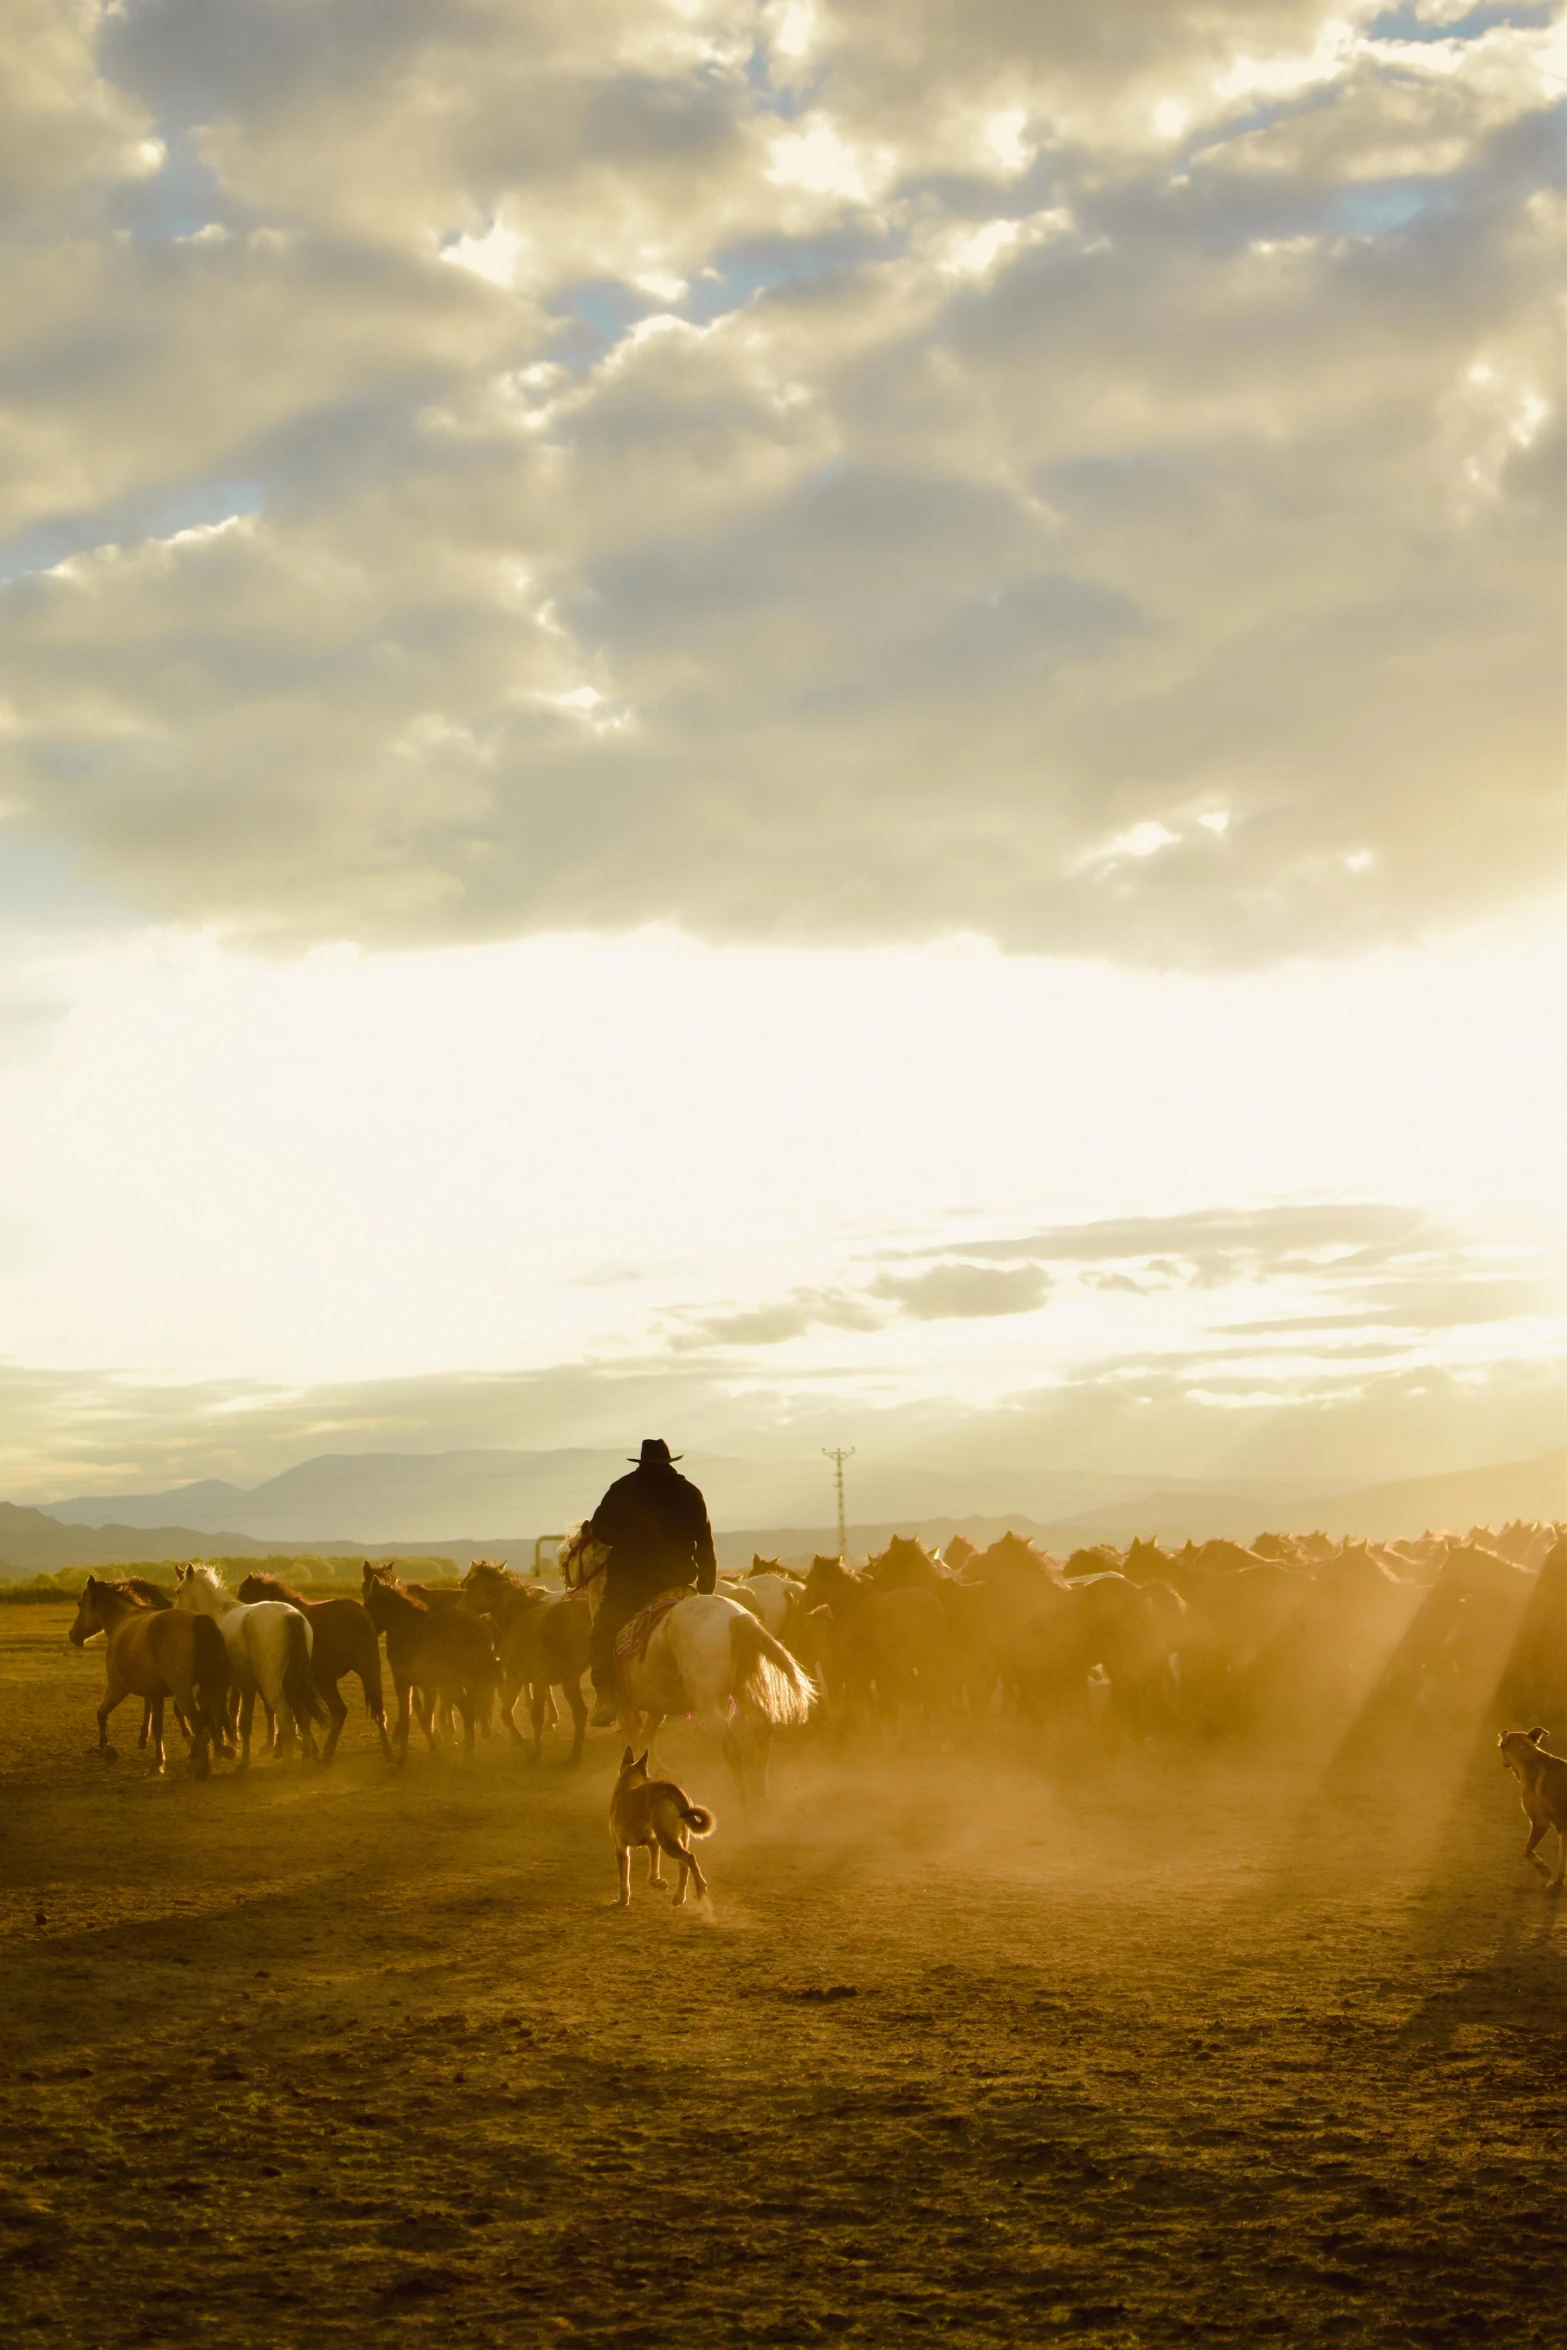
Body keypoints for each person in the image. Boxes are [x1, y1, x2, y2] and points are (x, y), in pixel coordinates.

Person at [586, 1439, 717, 1727]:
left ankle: (606, 1697)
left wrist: (628, 1538)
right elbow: (705, 1546)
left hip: (630, 1585)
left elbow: (600, 1530)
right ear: (669, 1463)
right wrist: (706, 1593)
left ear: (642, 1463)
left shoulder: (623, 1488)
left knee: (602, 1635)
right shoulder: (690, 1492)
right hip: (678, 1584)